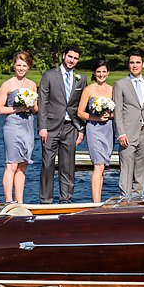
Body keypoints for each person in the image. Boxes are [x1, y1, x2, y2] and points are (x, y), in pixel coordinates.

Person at [37, 46, 87, 203]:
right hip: (50, 127)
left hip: (70, 126)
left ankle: (66, 199)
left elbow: (81, 105)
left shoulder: (81, 79)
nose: (72, 60)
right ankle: (45, 200)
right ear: (64, 56)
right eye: (70, 57)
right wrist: (42, 127)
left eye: (75, 58)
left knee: (68, 166)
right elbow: (43, 102)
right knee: (47, 164)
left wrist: (81, 128)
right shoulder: (50, 75)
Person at [0, 51, 39, 204]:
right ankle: (8, 201)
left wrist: (31, 105)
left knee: (23, 165)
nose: (21, 68)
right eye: (18, 65)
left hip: (28, 125)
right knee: (12, 164)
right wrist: (17, 109)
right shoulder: (7, 84)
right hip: (13, 126)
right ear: (14, 65)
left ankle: (19, 202)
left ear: (29, 67)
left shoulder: (32, 85)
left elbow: (36, 109)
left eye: (24, 65)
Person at [113, 49, 144, 198]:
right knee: (126, 168)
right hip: (128, 133)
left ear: (143, 64)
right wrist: (121, 132)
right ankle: (124, 199)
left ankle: (137, 199)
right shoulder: (120, 84)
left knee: (141, 170)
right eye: (132, 63)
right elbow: (117, 111)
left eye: (137, 62)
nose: (134, 65)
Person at [76, 59, 115, 202]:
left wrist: (109, 115)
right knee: (98, 165)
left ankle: (99, 199)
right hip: (94, 129)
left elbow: (118, 113)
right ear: (94, 73)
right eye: (98, 72)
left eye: (104, 71)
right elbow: (80, 112)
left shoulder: (112, 89)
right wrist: (95, 117)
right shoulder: (89, 90)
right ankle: (96, 202)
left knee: (103, 165)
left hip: (108, 130)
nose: (101, 74)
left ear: (108, 73)